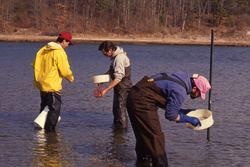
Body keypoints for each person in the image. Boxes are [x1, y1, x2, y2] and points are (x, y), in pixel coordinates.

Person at [126, 71, 211, 167]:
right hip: (141, 101)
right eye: (200, 93)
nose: (199, 96)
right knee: (155, 136)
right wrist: (189, 119)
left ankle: (142, 163)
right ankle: (161, 165)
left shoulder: (180, 78)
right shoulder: (181, 91)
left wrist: (181, 111)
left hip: (134, 94)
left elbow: (162, 96)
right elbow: (170, 115)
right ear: (194, 88)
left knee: (144, 136)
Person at [31, 32, 74, 131]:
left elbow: (34, 64)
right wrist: (71, 78)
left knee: (45, 107)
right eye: (68, 43)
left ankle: (41, 131)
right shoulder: (59, 52)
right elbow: (65, 71)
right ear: (63, 41)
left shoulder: (42, 49)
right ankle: (50, 131)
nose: (68, 46)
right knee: (55, 109)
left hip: (41, 84)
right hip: (52, 85)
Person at [98, 41, 132, 129]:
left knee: (120, 110)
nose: (104, 55)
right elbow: (114, 70)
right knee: (116, 109)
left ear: (110, 50)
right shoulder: (114, 56)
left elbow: (118, 77)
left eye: (105, 53)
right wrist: (104, 77)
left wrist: (106, 90)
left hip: (123, 86)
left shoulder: (119, 58)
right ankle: (116, 132)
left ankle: (122, 130)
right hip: (119, 86)